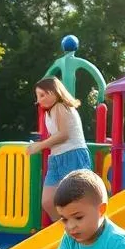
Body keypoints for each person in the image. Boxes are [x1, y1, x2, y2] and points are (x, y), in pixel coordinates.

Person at [27, 77, 93, 220]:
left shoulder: (61, 106)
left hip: (72, 155)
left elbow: (63, 134)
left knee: (74, 200)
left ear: (54, 92)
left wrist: (39, 145)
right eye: (37, 96)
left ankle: (77, 228)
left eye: (42, 95)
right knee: (48, 201)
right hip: (56, 158)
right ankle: (65, 230)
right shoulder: (49, 113)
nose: (39, 100)